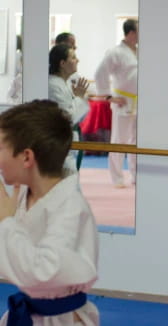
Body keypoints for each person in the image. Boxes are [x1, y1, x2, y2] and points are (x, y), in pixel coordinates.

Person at [0, 100, 99, 325]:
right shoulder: (24, 195)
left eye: (0, 149)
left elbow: (43, 272)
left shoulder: (70, 207)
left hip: (62, 318)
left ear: (26, 157)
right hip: (29, 312)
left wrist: (6, 224)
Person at [94, 19, 138, 188]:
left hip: (140, 102)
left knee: (137, 141)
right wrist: (108, 97)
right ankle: (117, 178)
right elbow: (100, 74)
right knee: (120, 140)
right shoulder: (115, 52)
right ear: (131, 33)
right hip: (123, 101)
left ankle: (136, 175)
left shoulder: (140, 52)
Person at [48, 43, 90, 172]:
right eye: (73, 57)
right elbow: (69, 117)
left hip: (69, 138)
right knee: (66, 180)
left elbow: (79, 114)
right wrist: (79, 98)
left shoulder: (65, 82)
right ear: (62, 63)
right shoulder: (53, 85)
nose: (77, 60)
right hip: (58, 140)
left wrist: (79, 97)